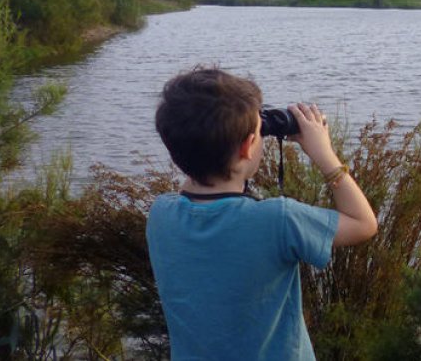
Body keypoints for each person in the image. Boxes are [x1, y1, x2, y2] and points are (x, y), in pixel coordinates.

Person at [146, 67, 378, 359]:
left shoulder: (161, 214)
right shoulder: (278, 220)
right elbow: (363, 223)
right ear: (247, 147)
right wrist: (323, 153)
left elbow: (195, 171)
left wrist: (239, 132)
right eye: (260, 131)